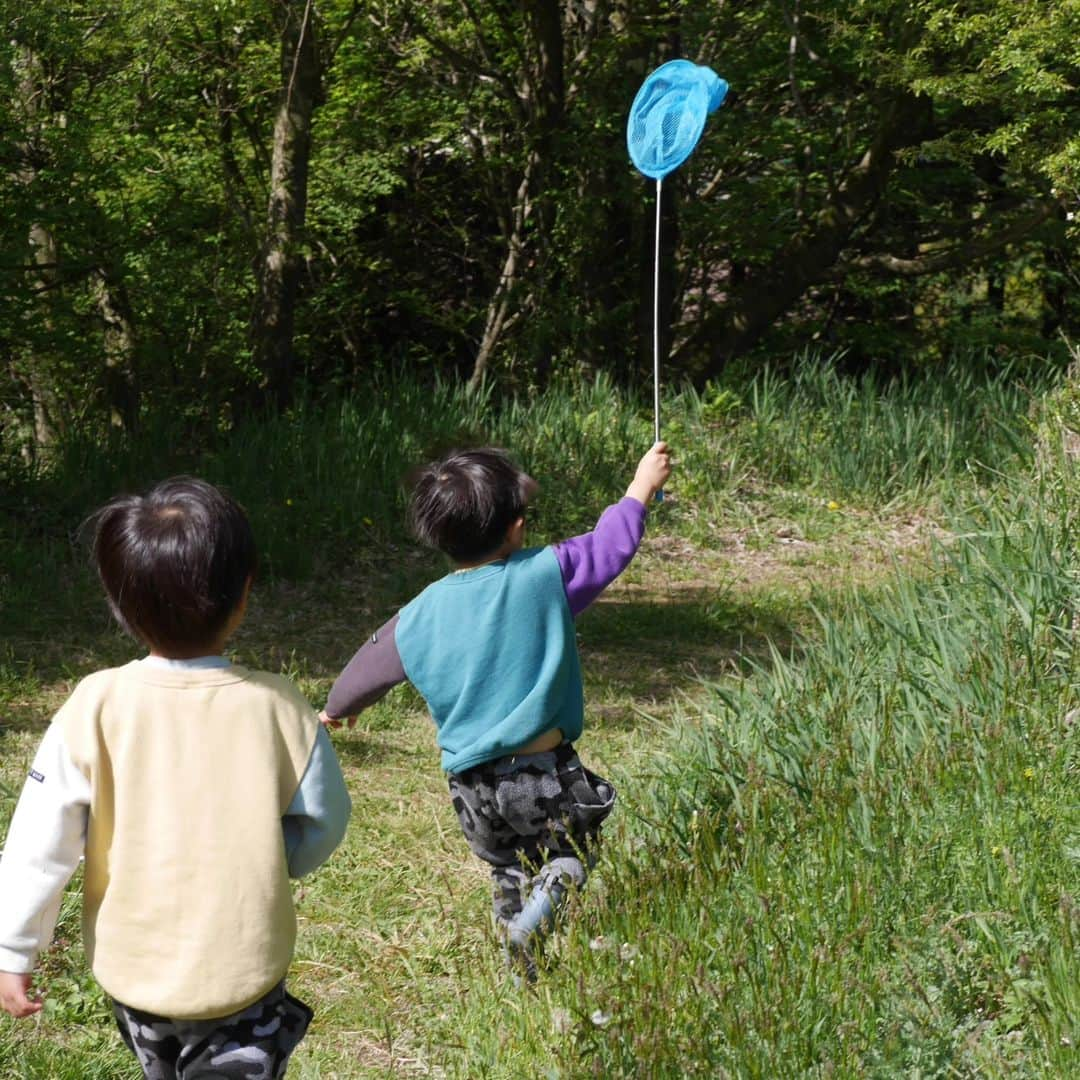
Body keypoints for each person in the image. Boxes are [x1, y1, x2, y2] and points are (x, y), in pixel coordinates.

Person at [0, 476, 351, 1079]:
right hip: (246, 967)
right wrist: (277, 859)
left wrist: (12, 949)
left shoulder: (95, 704)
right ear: (244, 592)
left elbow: (38, 843)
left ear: (120, 606)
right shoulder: (280, 704)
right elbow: (325, 819)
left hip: (135, 974)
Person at [321, 442, 672, 976]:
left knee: (506, 867)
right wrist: (641, 486)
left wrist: (337, 707)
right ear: (517, 527)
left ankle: (519, 959)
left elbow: (370, 663)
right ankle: (545, 907)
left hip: (471, 788)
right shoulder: (545, 575)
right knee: (569, 853)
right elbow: (609, 547)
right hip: (543, 774)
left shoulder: (419, 613)